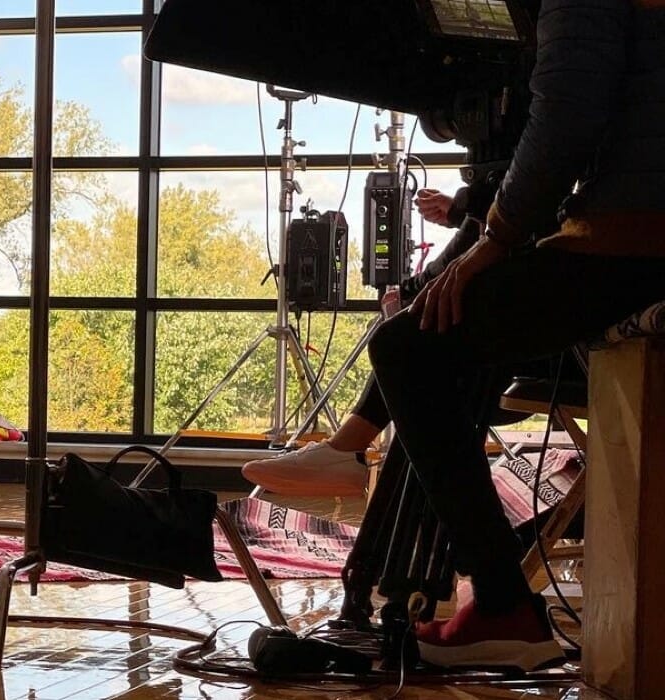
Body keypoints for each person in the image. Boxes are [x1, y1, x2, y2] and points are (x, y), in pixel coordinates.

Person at [368, 0, 665, 670]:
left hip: (633, 245)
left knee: (408, 347)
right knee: (464, 328)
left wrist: (491, 242)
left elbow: (567, 114)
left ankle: (503, 606)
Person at [242, 184, 501, 496]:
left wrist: (413, 290)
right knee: (407, 344)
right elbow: (501, 216)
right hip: (525, 336)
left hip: (529, 356)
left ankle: (345, 452)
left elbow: (517, 212)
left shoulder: (531, 174)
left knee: (401, 344)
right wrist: (463, 211)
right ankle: (345, 453)